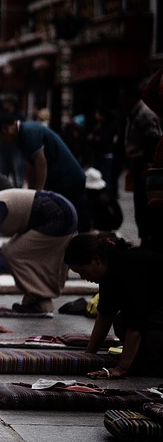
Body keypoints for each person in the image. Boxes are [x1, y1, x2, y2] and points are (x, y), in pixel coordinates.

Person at [63, 232, 163, 378]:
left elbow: (135, 325)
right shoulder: (109, 269)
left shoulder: (128, 269)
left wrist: (121, 368)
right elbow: (104, 317)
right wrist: (88, 356)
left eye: (82, 271)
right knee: (120, 322)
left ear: (96, 260)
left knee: (131, 329)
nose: (83, 277)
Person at [0, 112, 90, 232]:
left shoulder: (29, 132)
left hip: (70, 180)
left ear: (6, 129)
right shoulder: (21, 137)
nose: (1, 142)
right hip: (61, 180)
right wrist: (31, 194)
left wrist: (38, 195)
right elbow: (31, 166)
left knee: (71, 220)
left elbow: (41, 164)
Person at [120, 81, 163, 248]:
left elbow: (152, 139)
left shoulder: (144, 113)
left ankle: (149, 239)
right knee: (139, 204)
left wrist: (147, 164)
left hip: (145, 164)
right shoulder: (133, 113)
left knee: (146, 204)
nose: (121, 101)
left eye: (123, 97)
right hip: (137, 163)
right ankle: (146, 238)